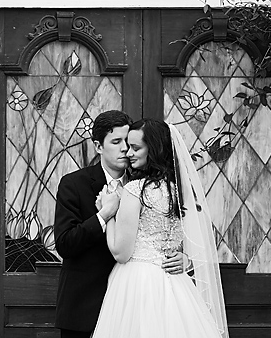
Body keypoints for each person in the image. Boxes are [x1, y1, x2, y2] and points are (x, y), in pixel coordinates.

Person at [53, 110, 190, 338]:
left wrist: (184, 256)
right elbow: (65, 243)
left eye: (128, 143)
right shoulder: (73, 184)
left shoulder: (147, 184)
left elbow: (175, 229)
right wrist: (104, 215)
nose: (125, 149)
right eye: (116, 142)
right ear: (98, 146)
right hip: (84, 309)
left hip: (139, 306)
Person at [92, 119, 229, 338]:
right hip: (175, 284)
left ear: (154, 150)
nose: (129, 153)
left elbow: (121, 252)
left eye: (136, 148)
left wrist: (107, 212)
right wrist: (186, 258)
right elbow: (197, 237)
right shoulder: (180, 191)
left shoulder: (135, 190)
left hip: (137, 282)